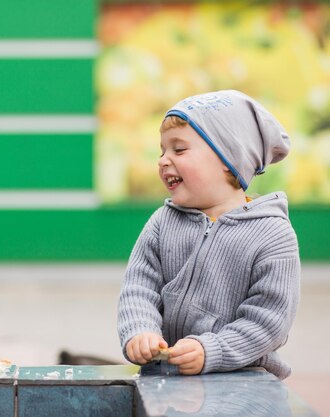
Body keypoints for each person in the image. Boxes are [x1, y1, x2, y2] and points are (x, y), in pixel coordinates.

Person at [117, 90, 300, 379]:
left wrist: (212, 350)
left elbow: (269, 321)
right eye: (162, 150)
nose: (164, 160)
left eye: (179, 150)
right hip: (167, 378)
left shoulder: (272, 234)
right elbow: (139, 289)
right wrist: (140, 331)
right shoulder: (162, 223)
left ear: (228, 159)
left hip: (245, 382)